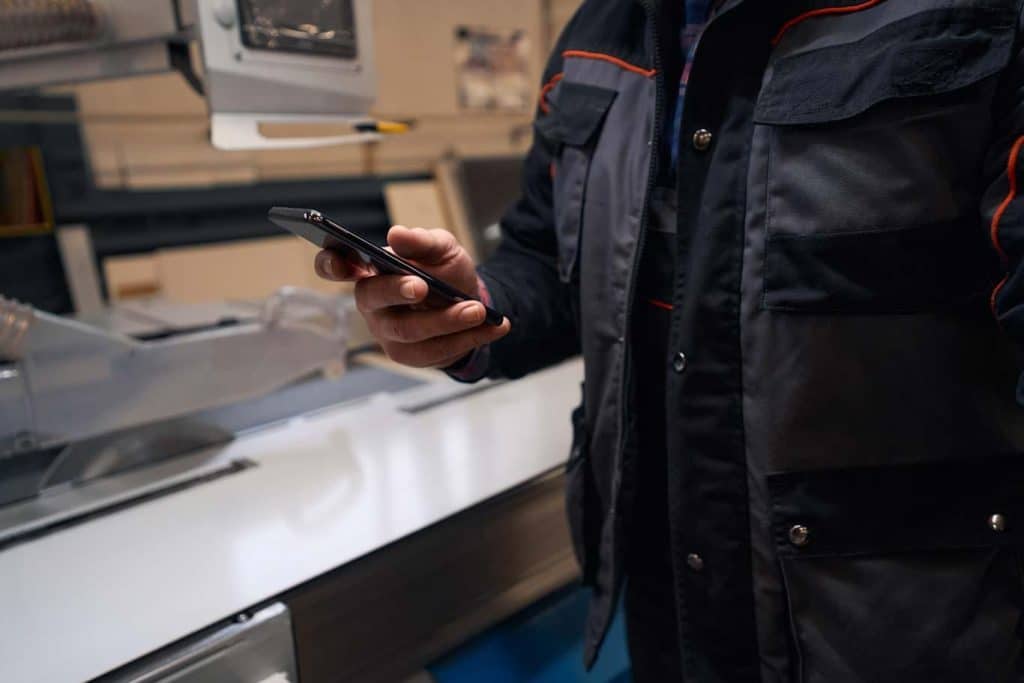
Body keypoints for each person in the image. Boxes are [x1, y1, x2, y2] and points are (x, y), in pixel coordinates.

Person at [315, 1, 1024, 680]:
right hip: (669, 600)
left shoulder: (971, 15)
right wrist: (468, 306)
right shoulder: (597, 36)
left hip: (892, 617)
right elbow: (545, 257)